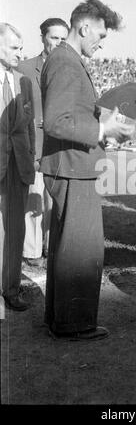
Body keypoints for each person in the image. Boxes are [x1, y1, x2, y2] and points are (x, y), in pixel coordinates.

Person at [40, 0, 134, 341]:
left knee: (68, 248)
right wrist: (102, 130)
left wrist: (102, 125)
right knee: (82, 251)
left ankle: (60, 318)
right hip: (73, 168)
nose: (101, 42)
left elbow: (68, 115)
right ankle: (74, 324)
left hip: (72, 166)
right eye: (100, 35)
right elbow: (57, 121)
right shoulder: (66, 62)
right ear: (83, 27)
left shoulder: (65, 59)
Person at [18, 18, 69, 267]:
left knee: (55, 201)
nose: (58, 43)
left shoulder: (69, 68)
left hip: (61, 147)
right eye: (54, 37)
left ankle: (51, 248)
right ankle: (31, 252)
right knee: (34, 199)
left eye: (63, 39)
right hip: (34, 146)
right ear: (42, 37)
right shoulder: (25, 68)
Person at [0, 23, 35, 310]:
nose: (20, 53)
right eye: (14, 47)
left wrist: (32, 157)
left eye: (21, 48)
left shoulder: (24, 82)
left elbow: (29, 128)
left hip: (18, 166)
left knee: (15, 231)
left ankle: (10, 289)